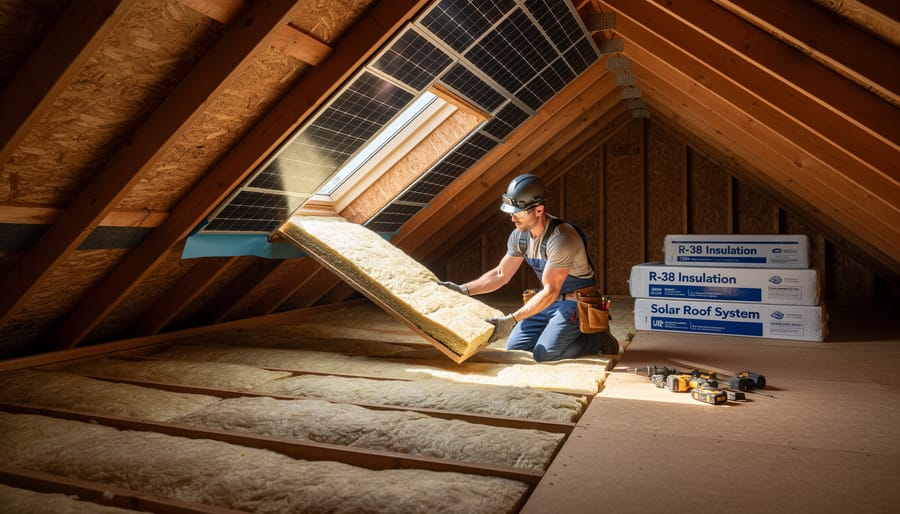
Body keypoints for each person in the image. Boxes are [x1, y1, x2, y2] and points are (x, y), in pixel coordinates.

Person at [439, 173, 619, 361]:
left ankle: (597, 339)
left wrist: (511, 320)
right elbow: (501, 274)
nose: (513, 219)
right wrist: (462, 290)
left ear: (539, 210)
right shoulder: (520, 236)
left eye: (518, 213)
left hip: (575, 303)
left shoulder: (562, 238)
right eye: (511, 213)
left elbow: (550, 291)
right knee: (516, 349)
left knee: (545, 354)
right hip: (549, 301)